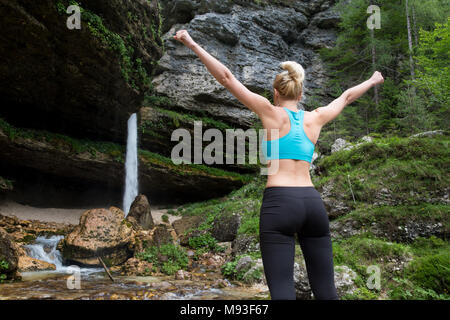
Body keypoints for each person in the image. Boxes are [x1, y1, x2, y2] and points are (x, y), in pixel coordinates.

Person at [174, 29, 384, 300]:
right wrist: (371, 80)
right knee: (326, 290)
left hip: (280, 203)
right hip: (312, 203)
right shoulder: (315, 118)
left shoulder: (270, 113)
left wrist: (192, 43)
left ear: (275, 92)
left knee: (283, 291)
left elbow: (227, 78)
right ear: (300, 94)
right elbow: (345, 97)